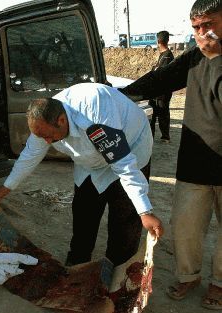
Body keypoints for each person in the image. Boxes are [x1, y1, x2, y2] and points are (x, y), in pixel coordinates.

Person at [0, 83, 164, 268]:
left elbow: (123, 165)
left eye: (50, 137)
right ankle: (78, 261)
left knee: (123, 218)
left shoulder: (94, 114)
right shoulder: (44, 123)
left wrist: (145, 212)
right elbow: (29, 156)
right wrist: (7, 187)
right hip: (90, 162)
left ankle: (118, 270)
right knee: (84, 211)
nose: (47, 142)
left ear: (61, 121)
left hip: (129, 149)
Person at [121, 0, 222, 309]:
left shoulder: (212, 56)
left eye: (209, 25)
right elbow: (160, 80)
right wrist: (119, 96)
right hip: (194, 163)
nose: (203, 33)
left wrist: (217, 57)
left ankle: (219, 283)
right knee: (185, 227)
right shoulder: (193, 57)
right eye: (196, 28)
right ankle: (189, 275)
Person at [149, 31, 175, 143]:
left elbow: (160, 73)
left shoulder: (167, 56)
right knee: (154, 114)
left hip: (162, 92)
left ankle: (165, 137)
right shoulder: (163, 55)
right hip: (158, 91)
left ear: (158, 41)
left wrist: (154, 70)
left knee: (162, 113)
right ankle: (152, 136)